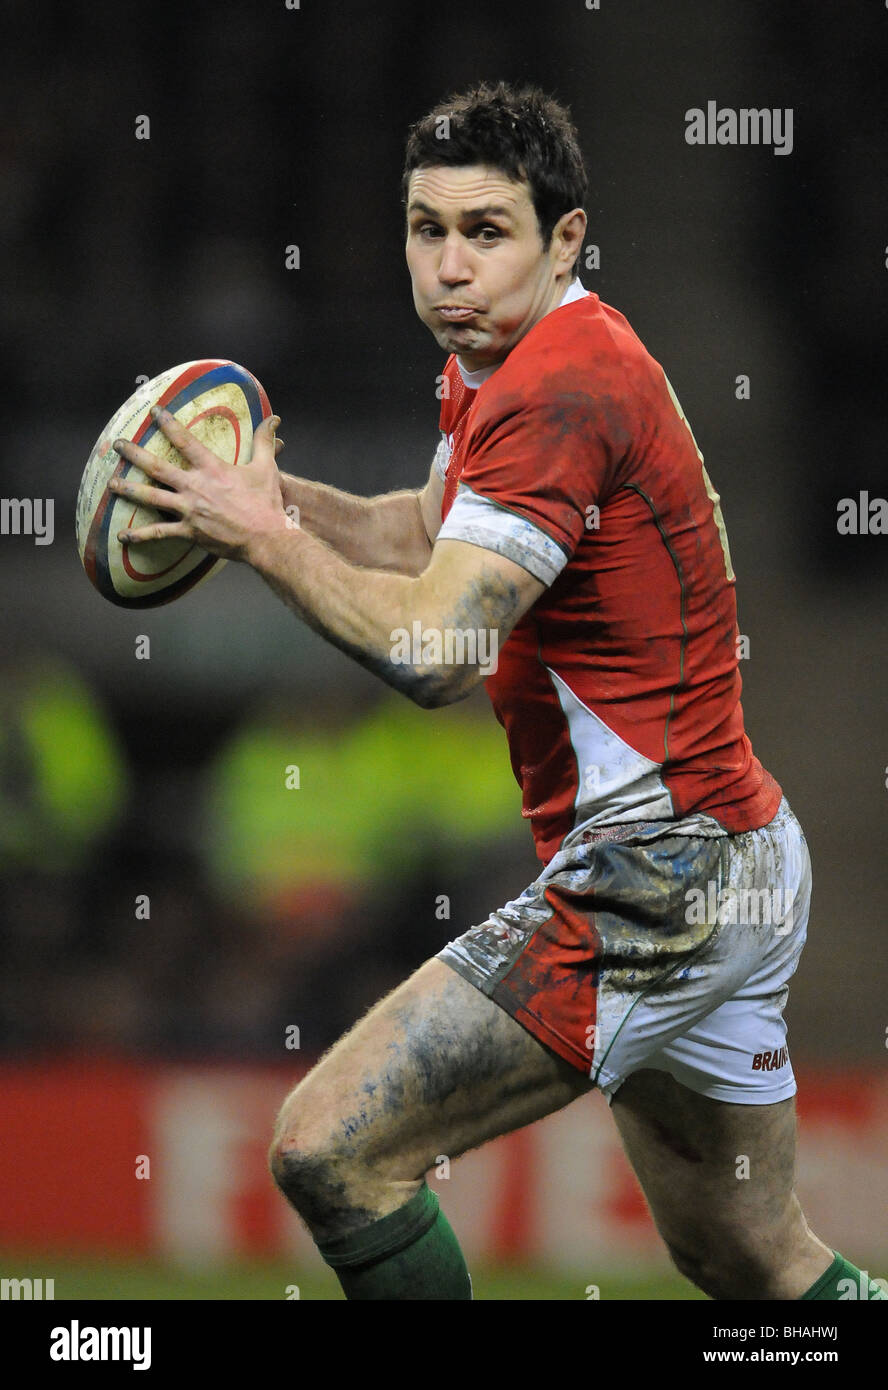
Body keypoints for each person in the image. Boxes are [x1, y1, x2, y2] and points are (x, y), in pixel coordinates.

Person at [111, 81, 884, 1302]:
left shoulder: (557, 389)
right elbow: (423, 535)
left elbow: (435, 652)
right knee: (755, 1258)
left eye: (488, 232)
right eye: (428, 230)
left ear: (564, 239)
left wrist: (258, 539)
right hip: (734, 847)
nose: (450, 268)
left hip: (661, 874)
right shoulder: (508, 362)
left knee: (332, 1150)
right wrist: (265, 498)